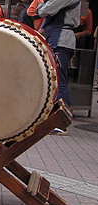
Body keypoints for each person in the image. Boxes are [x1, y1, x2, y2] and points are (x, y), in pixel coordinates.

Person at [37, 0, 80, 135]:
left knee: (59, 82)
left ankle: (61, 123)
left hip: (61, 40)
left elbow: (43, 10)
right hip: (57, 38)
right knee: (55, 81)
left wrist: (44, 7)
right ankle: (54, 119)